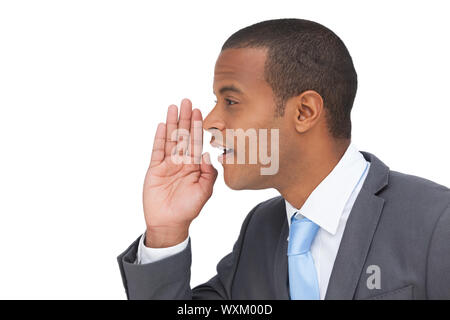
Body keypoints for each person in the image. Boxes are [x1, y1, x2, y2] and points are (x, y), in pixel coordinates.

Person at [117, 18, 450, 300]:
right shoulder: (260, 229)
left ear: (304, 112)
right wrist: (166, 232)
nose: (210, 122)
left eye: (231, 101)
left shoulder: (437, 223)